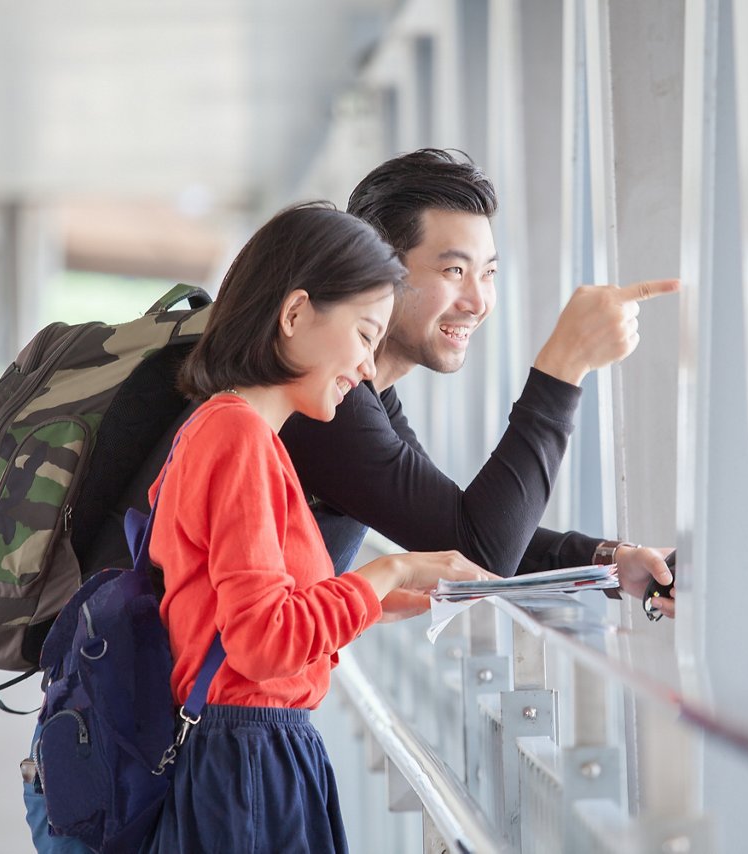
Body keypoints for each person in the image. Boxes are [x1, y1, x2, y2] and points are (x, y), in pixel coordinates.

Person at [137, 201, 492, 852]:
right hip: (245, 759)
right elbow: (261, 643)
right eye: (363, 334)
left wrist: (368, 601)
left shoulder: (240, 433)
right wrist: (389, 570)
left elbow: (240, 610)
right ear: (295, 314)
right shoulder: (238, 436)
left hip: (247, 751)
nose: (366, 367)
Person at [280, 149, 679, 615]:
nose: (477, 300)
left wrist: (614, 563)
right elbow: (481, 554)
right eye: (454, 271)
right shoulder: (325, 401)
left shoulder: (368, 394)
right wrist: (561, 369)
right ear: (377, 268)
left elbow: (460, 531)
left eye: (488, 272)